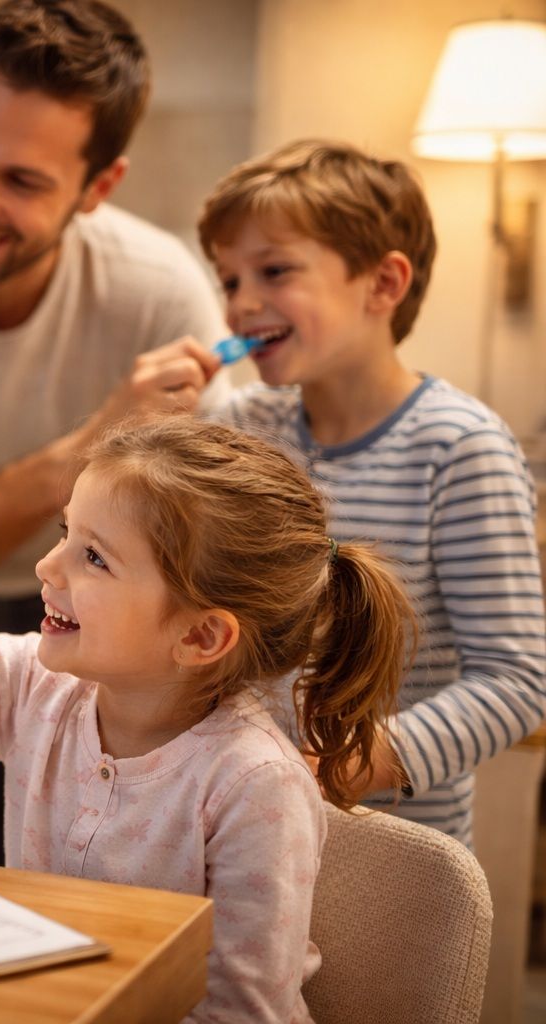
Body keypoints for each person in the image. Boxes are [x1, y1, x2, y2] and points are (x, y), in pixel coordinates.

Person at [0, 414, 415, 1021]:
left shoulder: (255, 787)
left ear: (202, 635)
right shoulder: (37, 690)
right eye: (66, 531)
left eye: (94, 557)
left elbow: (237, 1014)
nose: (48, 567)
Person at [0, 0, 229, 862]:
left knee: (77, 870)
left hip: (100, 609)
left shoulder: (157, 290)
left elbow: (206, 552)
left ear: (98, 189)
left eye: (23, 181)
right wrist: (89, 453)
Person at [199, 140, 546, 845]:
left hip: (391, 850)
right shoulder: (239, 426)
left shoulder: (458, 449)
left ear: (383, 284)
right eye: (229, 280)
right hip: (243, 831)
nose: (241, 304)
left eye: (273, 271)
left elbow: (516, 680)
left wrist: (339, 768)